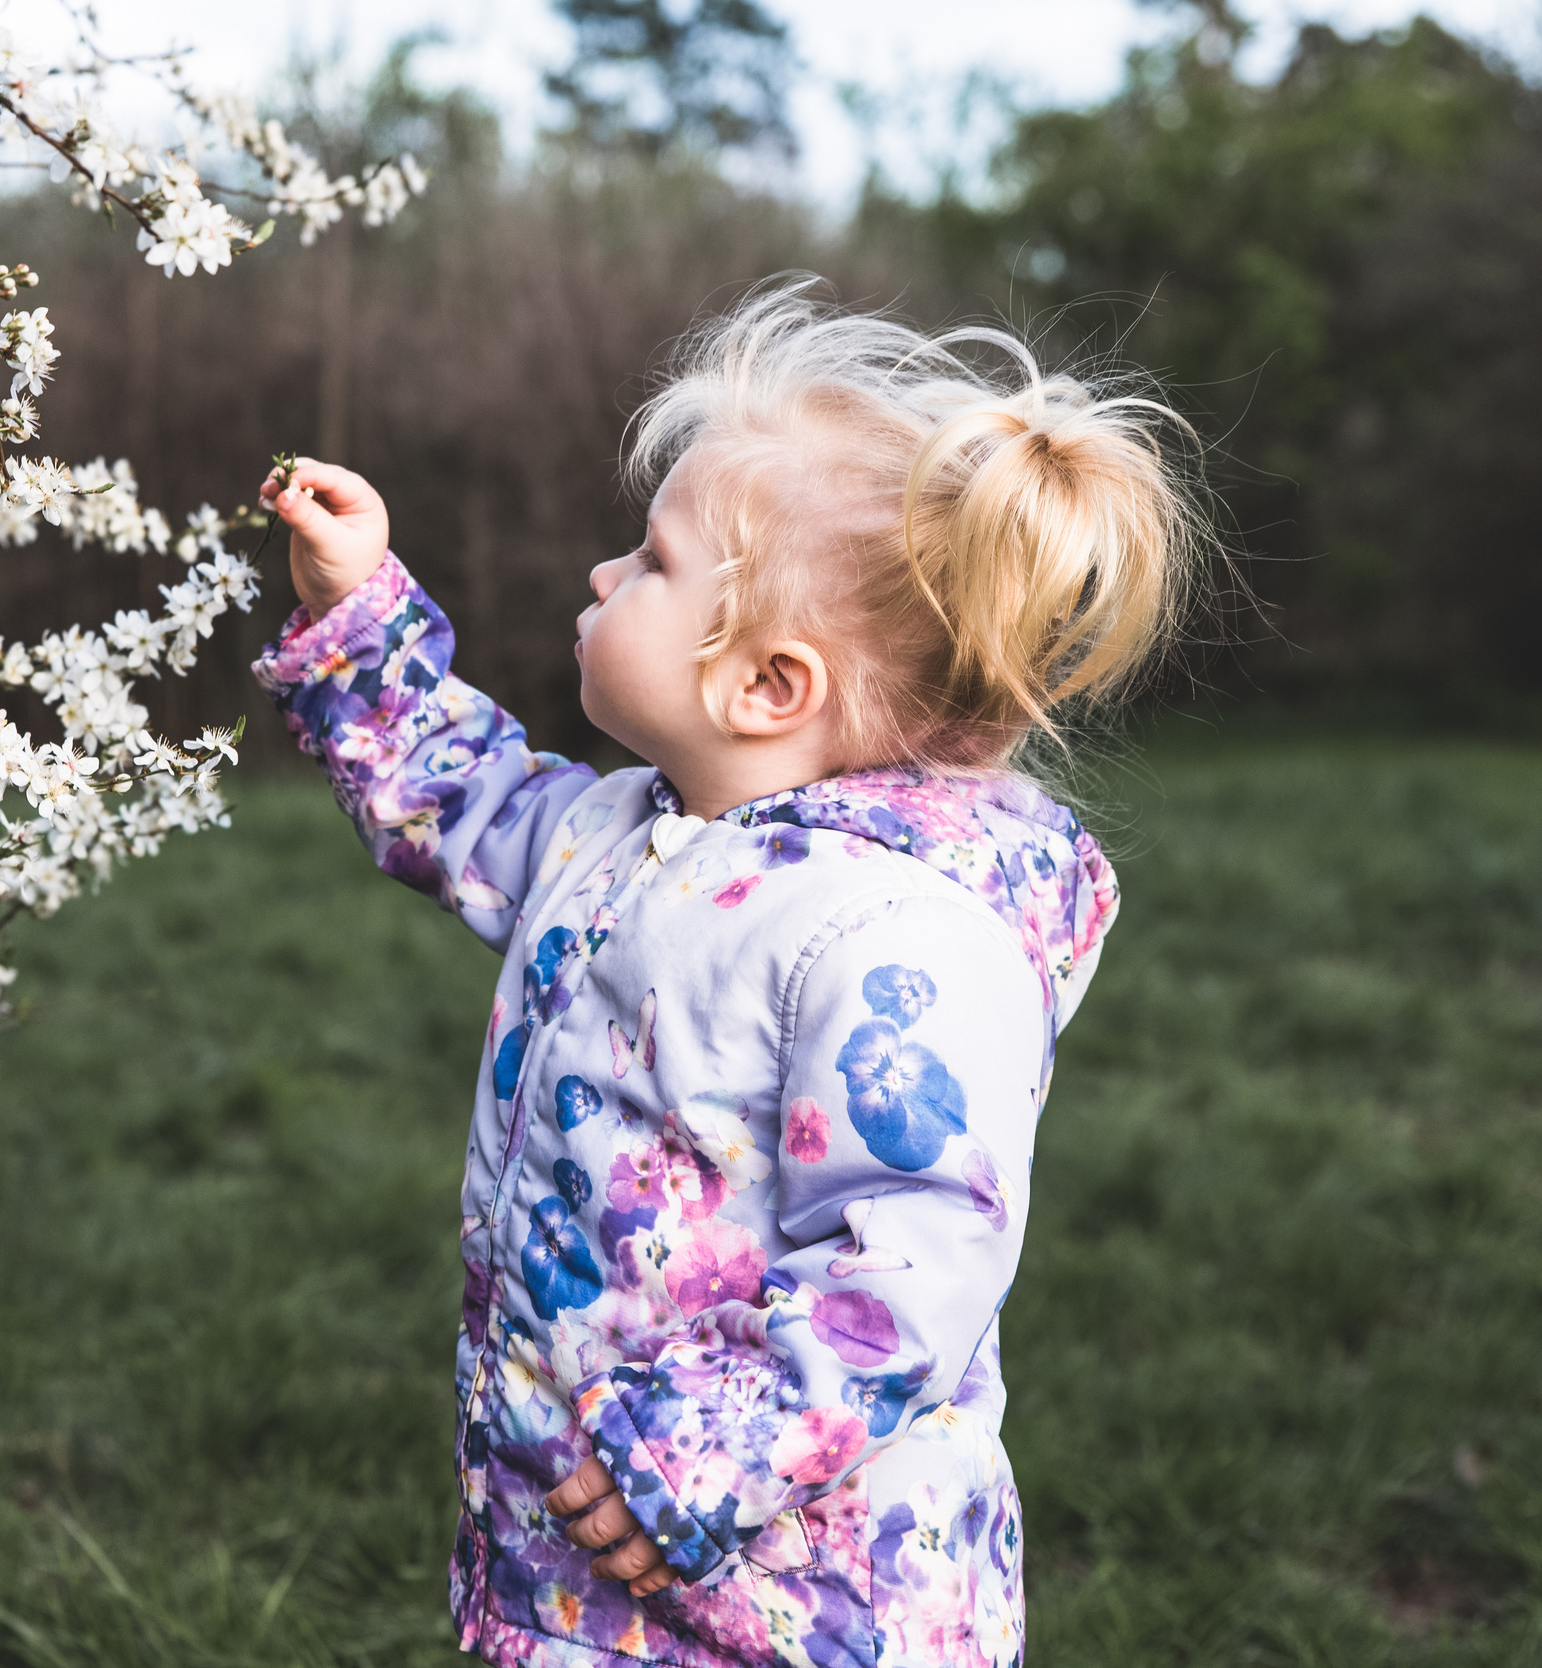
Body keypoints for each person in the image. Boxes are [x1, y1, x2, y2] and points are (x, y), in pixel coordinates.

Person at [250, 280, 1206, 1668]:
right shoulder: (620, 832)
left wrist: (696, 1451)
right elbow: (458, 798)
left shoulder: (893, 934)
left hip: (791, 1592)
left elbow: (917, 1252)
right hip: (593, 1547)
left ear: (770, 683)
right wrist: (363, 614)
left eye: (650, 560)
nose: (602, 576)